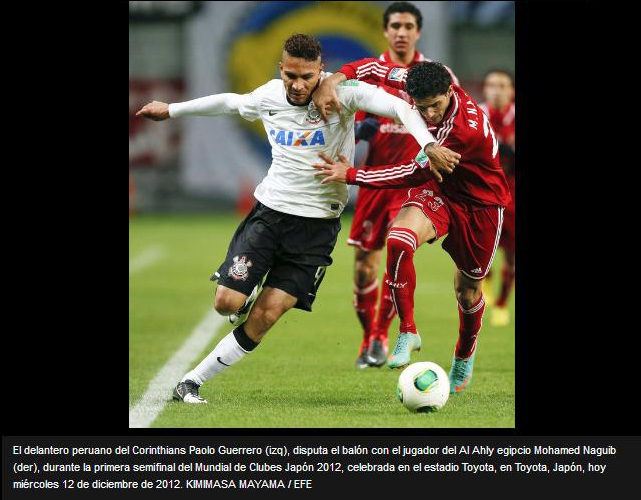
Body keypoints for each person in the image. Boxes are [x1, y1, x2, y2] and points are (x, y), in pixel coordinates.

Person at [135, 34, 460, 403]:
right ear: (281, 69)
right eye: (291, 75)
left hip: (317, 228)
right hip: (270, 215)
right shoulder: (270, 95)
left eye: (307, 76)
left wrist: (428, 145)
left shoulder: (345, 93)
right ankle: (244, 294)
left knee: (267, 314)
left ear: (321, 71)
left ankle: (191, 381)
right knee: (226, 303)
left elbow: (400, 108)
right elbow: (230, 102)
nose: (298, 84)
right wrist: (172, 109)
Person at [312, 59, 510, 394]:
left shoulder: (462, 132)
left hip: (482, 205)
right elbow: (374, 67)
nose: (429, 115)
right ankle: (407, 329)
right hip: (441, 191)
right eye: (422, 108)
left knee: (468, 290)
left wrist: (352, 175)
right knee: (399, 239)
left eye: (436, 106)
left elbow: (410, 173)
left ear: (449, 92)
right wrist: (336, 79)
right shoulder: (417, 80)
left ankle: (464, 353)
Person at [348, 1, 460, 369]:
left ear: (418, 32)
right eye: (395, 25)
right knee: (365, 265)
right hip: (376, 181)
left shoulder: (437, 76)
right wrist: (358, 130)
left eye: (408, 26)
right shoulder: (371, 73)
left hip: (414, 183)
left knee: (398, 253)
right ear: (385, 31)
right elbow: (355, 120)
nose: (401, 32)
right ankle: (369, 337)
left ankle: (381, 335)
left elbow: (455, 122)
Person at [478, 69, 515, 327]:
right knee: (481, 250)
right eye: (491, 85)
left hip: (513, 196)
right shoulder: (477, 114)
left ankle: (502, 303)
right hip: (484, 193)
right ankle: (486, 280)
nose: (496, 90)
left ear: (511, 91)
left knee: (511, 255)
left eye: (502, 85)